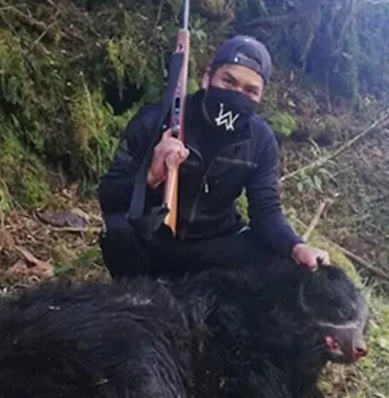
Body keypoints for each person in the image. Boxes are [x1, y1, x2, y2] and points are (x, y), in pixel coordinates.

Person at [97, 35, 330, 279]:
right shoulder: (154, 120)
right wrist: (149, 178)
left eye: (251, 91)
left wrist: (297, 246)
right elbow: (109, 193)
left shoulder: (260, 140)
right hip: (155, 236)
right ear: (207, 78)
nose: (237, 94)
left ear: (261, 97)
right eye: (229, 81)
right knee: (119, 230)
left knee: (283, 261)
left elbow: (266, 211)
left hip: (213, 244)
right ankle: (133, 297)